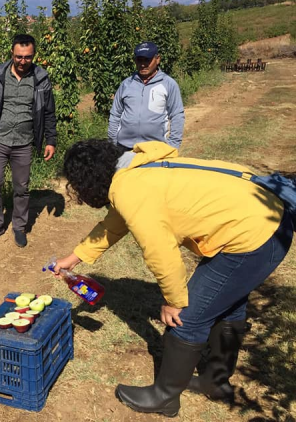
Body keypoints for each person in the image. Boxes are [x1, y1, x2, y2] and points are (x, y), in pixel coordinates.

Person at [53, 139, 292, 417]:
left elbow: (161, 253)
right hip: (267, 221)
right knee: (229, 304)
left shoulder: (130, 189)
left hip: (253, 237)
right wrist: (73, 258)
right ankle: (215, 382)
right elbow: (113, 225)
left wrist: (174, 300)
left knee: (187, 318)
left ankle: (164, 397)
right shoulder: (137, 167)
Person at [0, 34, 57, 248]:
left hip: (24, 142)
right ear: (12, 53)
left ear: (33, 55)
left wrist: (51, 140)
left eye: (27, 57)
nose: (22, 61)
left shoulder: (41, 79)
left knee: (21, 187)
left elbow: (48, 112)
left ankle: (19, 227)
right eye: (19, 57)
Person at [108, 42, 185, 150]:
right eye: (139, 60)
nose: (143, 64)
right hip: (124, 147)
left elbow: (177, 115)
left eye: (147, 60)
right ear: (135, 61)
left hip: (155, 149)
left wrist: (173, 145)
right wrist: (112, 143)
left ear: (157, 59)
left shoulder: (168, 84)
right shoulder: (126, 84)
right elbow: (115, 114)